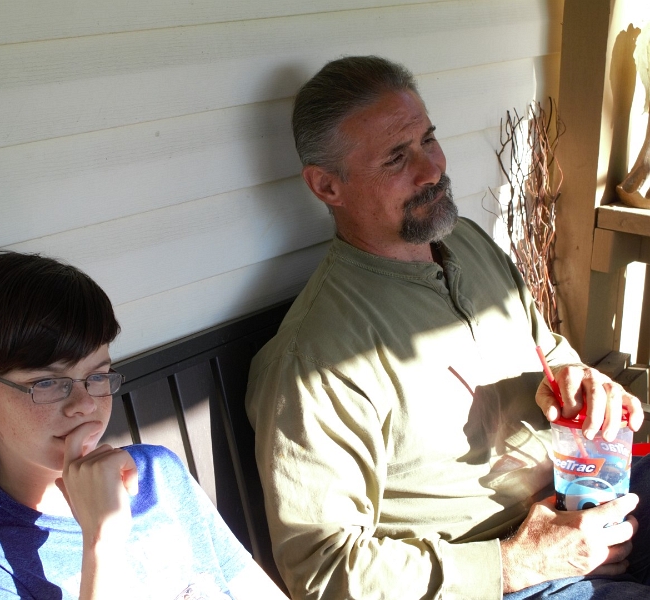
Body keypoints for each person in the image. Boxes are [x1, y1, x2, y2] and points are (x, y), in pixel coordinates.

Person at [245, 55, 650, 600]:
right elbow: (322, 570)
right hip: (501, 576)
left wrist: (576, 379)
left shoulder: (467, 243)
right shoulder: (315, 359)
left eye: (428, 139)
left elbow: (546, 348)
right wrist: (515, 563)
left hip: (582, 493)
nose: (431, 169)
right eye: (396, 158)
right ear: (327, 186)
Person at [0, 251, 287, 599]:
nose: (86, 404)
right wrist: (102, 537)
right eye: (46, 382)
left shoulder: (156, 475)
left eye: (97, 375)